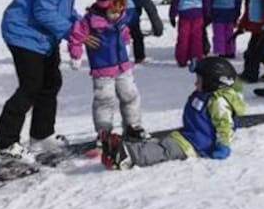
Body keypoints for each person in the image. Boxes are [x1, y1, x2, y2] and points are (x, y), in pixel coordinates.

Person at [0, 0, 100, 162]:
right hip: (23, 33)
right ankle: (4, 142)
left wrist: (83, 23)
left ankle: (41, 135)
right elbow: (43, 11)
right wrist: (74, 33)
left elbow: (63, 8)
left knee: (51, 83)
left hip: (43, 35)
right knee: (30, 87)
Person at [100, 57, 246, 169]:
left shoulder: (218, 101)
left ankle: (128, 155)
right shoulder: (207, 95)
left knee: (164, 150)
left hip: (198, 145)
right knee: (163, 144)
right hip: (189, 137)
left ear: (212, 83)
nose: (195, 84)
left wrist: (223, 146)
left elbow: (225, 126)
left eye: (199, 81)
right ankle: (120, 148)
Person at [68, 0, 146, 146]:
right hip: (102, 68)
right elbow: (76, 35)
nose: (119, 8)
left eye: (123, 3)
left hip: (123, 67)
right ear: (104, 2)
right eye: (116, 3)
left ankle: (133, 125)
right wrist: (76, 56)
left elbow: (125, 32)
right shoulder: (90, 21)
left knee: (130, 95)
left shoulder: (121, 19)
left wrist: (126, 44)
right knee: (105, 99)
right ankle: (104, 131)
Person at [117, 0, 162, 64]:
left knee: (119, 34)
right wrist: (139, 9)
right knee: (136, 35)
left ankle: (119, 55)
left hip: (119, 11)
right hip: (132, 12)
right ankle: (139, 56)